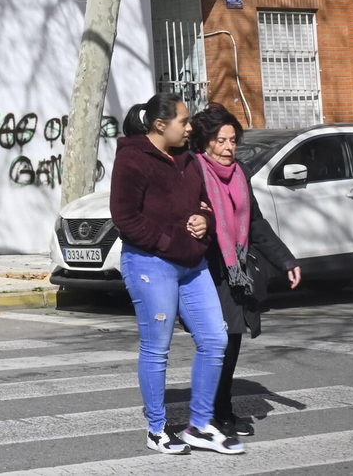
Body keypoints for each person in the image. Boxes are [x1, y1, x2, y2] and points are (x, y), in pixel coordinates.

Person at [110, 92, 241, 456]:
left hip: (193, 266)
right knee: (157, 348)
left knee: (215, 340)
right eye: (183, 122)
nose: (189, 128)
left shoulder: (188, 159)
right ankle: (156, 429)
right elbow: (124, 217)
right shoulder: (133, 159)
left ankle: (199, 425)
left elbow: (204, 203)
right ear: (159, 124)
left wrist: (205, 220)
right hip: (150, 264)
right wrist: (168, 241)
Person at [192, 103, 301, 438]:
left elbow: (254, 222)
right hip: (207, 269)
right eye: (221, 141)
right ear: (206, 142)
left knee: (232, 340)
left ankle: (221, 408)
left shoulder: (240, 174)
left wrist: (286, 260)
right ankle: (213, 412)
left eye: (233, 140)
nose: (229, 148)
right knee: (218, 343)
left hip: (236, 268)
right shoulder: (194, 172)